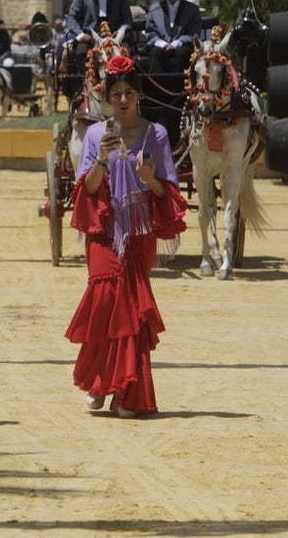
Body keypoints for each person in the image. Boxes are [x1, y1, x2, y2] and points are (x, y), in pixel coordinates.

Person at [65, 55, 186, 417]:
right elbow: (86, 188)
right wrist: (101, 159)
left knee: (130, 310)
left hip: (139, 233)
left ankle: (125, 393)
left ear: (139, 95)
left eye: (129, 93)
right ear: (107, 97)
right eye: (115, 93)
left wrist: (149, 178)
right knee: (103, 301)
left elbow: (168, 194)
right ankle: (100, 382)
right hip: (104, 231)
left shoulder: (157, 134)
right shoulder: (95, 134)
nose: (122, 100)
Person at [143, 0, 203, 74]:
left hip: (182, 46)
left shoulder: (192, 9)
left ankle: (180, 87)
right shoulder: (154, 9)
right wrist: (162, 44)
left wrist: (176, 43)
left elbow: (193, 32)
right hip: (160, 46)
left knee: (183, 53)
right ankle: (155, 87)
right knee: (155, 53)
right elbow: (150, 31)